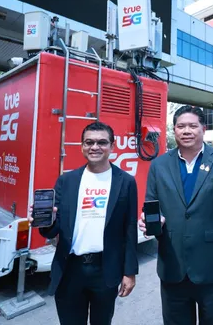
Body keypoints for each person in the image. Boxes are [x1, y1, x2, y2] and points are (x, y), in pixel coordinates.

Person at [138, 105, 213, 325]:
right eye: (181, 126)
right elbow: (151, 204)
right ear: (174, 130)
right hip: (172, 265)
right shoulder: (159, 165)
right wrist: (150, 221)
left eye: (192, 126)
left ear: (203, 129)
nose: (186, 131)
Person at [28, 121, 138, 325]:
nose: (95, 147)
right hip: (70, 269)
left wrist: (129, 272)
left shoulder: (126, 181)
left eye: (102, 142)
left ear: (112, 146)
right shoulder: (66, 181)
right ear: (82, 146)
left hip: (106, 270)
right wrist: (44, 221)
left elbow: (130, 229)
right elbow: (51, 231)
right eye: (89, 142)